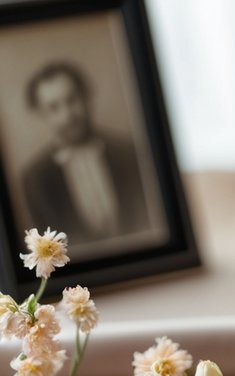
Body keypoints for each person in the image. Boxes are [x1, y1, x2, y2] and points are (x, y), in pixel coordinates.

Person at [21, 60, 149, 247]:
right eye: (54, 107)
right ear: (41, 115)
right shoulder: (34, 178)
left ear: (86, 98)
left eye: (72, 100)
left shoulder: (129, 152)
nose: (68, 115)